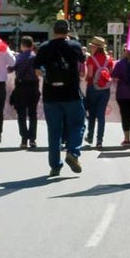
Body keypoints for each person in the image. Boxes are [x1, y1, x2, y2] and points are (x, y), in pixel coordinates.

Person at [33, 19, 86, 176]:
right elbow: (83, 62)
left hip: (51, 95)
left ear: (53, 31)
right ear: (68, 31)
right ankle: (73, 152)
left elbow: (37, 70)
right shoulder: (74, 46)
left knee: (54, 131)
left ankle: (55, 165)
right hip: (71, 94)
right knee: (78, 124)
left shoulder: (44, 47)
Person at [9, 35, 40, 150]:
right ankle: (33, 139)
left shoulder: (19, 57)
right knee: (33, 113)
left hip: (21, 87)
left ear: (22, 45)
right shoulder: (36, 57)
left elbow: (10, 69)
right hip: (33, 86)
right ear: (32, 45)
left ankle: (24, 139)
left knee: (21, 114)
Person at [84, 36, 114, 149]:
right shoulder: (109, 59)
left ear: (95, 47)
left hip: (93, 88)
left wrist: (87, 80)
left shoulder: (91, 59)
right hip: (105, 89)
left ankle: (90, 136)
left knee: (92, 114)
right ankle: (99, 141)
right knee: (101, 115)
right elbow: (109, 75)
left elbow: (90, 75)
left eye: (92, 46)